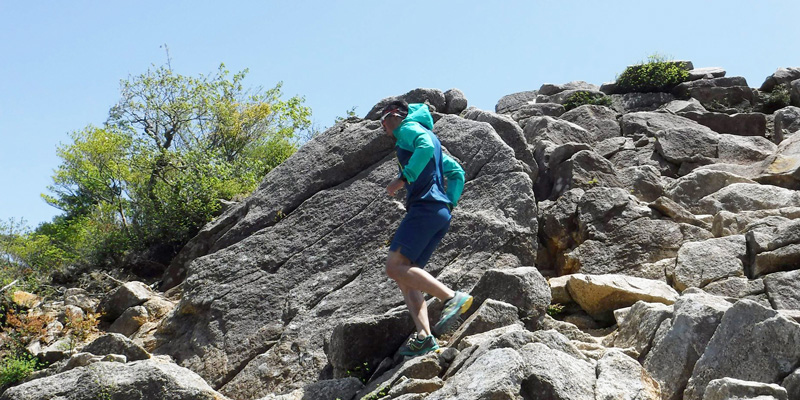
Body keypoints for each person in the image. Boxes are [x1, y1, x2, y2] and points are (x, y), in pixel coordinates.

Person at [379, 100, 472, 357]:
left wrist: (403, 177)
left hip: (425, 208)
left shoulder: (407, 129)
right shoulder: (430, 138)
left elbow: (425, 146)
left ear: (394, 116)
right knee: (405, 274)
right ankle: (425, 337)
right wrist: (449, 203)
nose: (383, 128)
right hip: (438, 213)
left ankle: (451, 297)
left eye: (383, 122)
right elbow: (457, 172)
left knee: (393, 267)